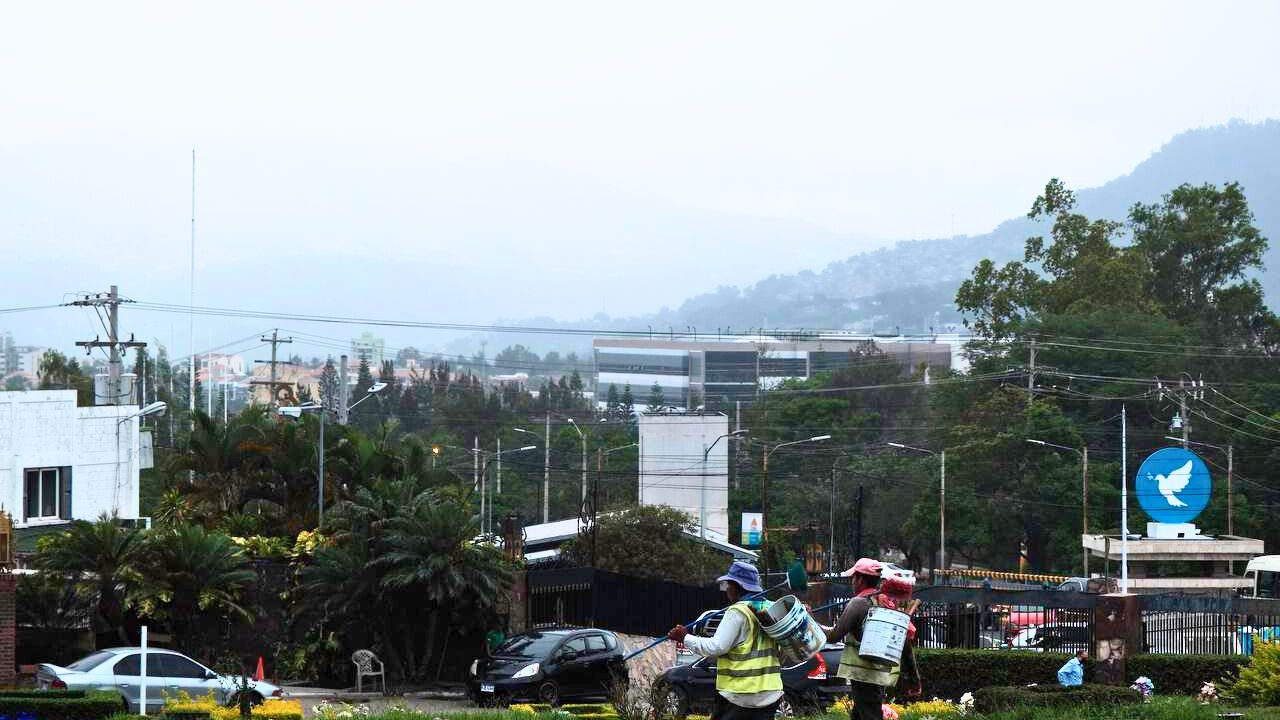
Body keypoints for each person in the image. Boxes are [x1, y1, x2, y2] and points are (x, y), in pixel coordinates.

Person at [667, 561, 782, 720]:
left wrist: (684, 637)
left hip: (740, 695)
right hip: (770, 695)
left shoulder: (737, 612)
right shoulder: (771, 608)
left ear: (736, 586)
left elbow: (716, 647)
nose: (727, 589)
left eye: (728, 584)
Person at [825, 558, 921, 720]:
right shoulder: (888, 604)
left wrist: (810, 622)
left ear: (861, 579)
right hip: (880, 675)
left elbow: (834, 636)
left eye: (853, 578)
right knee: (859, 714)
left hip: (863, 675)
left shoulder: (858, 604)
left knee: (870, 715)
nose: (852, 583)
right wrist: (914, 678)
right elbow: (904, 644)